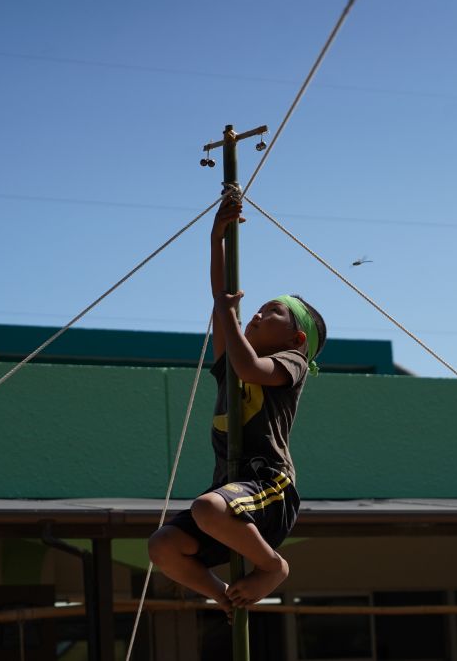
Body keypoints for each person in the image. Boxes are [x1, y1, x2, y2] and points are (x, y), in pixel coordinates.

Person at [147, 194, 326, 617]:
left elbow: (248, 365)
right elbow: (222, 297)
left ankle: (273, 566)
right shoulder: (233, 362)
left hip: (269, 485)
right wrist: (217, 239)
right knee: (162, 545)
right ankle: (223, 594)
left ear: (296, 339)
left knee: (207, 507)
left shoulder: (291, 363)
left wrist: (228, 315)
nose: (257, 314)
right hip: (230, 495)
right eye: (257, 309)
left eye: (272, 312)